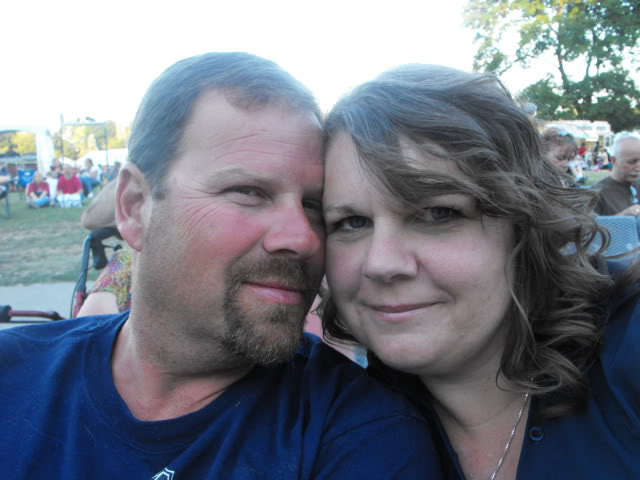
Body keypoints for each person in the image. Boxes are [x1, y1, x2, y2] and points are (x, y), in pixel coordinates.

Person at [0, 53, 439, 479]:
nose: (304, 238)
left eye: (312, 205)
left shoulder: (361, 437)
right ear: (134, 206)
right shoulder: (13, 373)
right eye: (249, 192)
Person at [320, 64, 640, 479]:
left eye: (437, 213)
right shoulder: (334, 424)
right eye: (351, 223)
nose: (382, 264)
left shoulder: (628, 344)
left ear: (524, 221)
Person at [593, 132, 640, 216]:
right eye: (632, 162)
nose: (638, 167)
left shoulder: (637, 185)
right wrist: (622, 217)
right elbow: (588, 224)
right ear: (613, 160)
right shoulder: (597, 194)